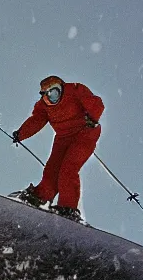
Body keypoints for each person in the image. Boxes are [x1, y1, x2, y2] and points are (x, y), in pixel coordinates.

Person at [11, 75, 104, 221]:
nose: (53, 97)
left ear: (61, 87)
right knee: (52, 169)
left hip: (85, 133)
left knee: (68, 169)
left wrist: (92, 118)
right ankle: (40, 196)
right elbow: (37, 120)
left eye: (55, 92)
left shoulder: (74, 90)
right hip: (63, 137)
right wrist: (21, 133)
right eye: (48, 94)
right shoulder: (44, 106)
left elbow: (95, 103)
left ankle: (68, 207)